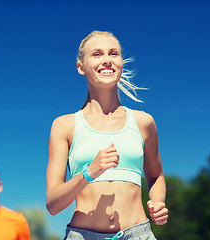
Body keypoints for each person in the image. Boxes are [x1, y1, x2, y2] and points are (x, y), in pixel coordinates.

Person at [46, 31, 168, 240]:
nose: (107, 60)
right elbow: (53, 204)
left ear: (121, 62)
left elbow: (156, 176)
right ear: (81, 67)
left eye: (113, 54)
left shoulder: (144, 122)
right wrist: (89, 172)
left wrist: (158, 203)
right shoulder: (64, 126)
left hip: (139, 234)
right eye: (97, 54)